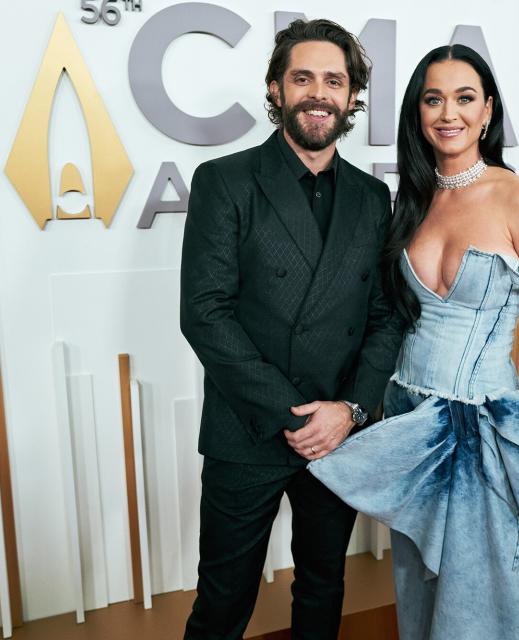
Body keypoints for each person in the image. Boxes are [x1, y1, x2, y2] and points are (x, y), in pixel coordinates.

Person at [309, 45, 519, 639]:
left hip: (485, 427)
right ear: (418, 113)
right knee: (418, 586)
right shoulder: (411, 201)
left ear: (488, 110)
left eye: (465, 97)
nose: (449, 112)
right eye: (433, 98)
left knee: (482, 596)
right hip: (411, 420)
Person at [179, 19, 402, 640]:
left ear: (352, 96)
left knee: (323, 589)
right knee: (223, 602)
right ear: (275, 88)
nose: (318, 92)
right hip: (246, 430)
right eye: (302, 77)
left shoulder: (370, 198)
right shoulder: (225, 182)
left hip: (337, 433)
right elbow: (205, 313)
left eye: (334, 80)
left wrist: (351, 409)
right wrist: (296, 414)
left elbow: (384, 317)